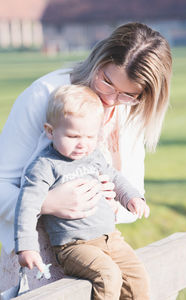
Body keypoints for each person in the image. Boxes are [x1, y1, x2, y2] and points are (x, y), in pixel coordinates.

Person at [0, 22, 172, 292]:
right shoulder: (45, 95)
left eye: (128, 94)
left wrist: (113, 203)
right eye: (106, 81)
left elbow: (133, 192)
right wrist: (46, 203)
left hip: (100, 248)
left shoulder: (132, 111)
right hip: (39, 262)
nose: (111, 99)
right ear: (98, 60)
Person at [15, 85, 150, 299]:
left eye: (90, 137)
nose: (82, 144)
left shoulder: (93, 156)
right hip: (74, 245)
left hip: (110, 238)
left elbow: (114, 177)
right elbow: (27, 207)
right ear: (50, 131)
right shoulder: (45, 165)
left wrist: (132, 197)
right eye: (73, 136)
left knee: (137, 276)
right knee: (108, 276)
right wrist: (26, 248)